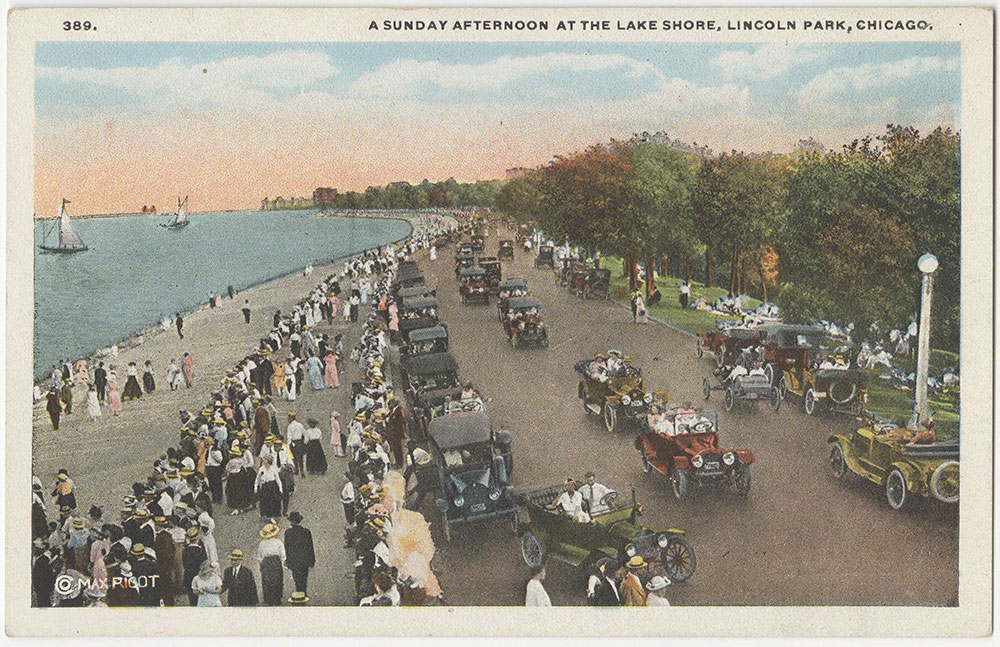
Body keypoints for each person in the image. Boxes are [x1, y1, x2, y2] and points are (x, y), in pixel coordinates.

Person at [284, 512, 316, 595]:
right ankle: (303, 593)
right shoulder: (306, 532)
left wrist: (288, 561)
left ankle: (299, 593)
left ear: (291, 522)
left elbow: (287, 548)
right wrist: (312, 561)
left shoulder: (288, 533)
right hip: (304, 561)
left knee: (297, 579)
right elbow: (310, 547)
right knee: (304, 579)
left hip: (294, 561)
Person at [257, 523, 286, 606]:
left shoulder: (262, 543)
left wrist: (261, 566)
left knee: (267, 580)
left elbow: (260, 557)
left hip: (266, 562)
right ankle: (277, 598)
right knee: (277, 580)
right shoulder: (278, 542)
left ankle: (268, 599)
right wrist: (281, 564)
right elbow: (283, 555)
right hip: (276, 562)